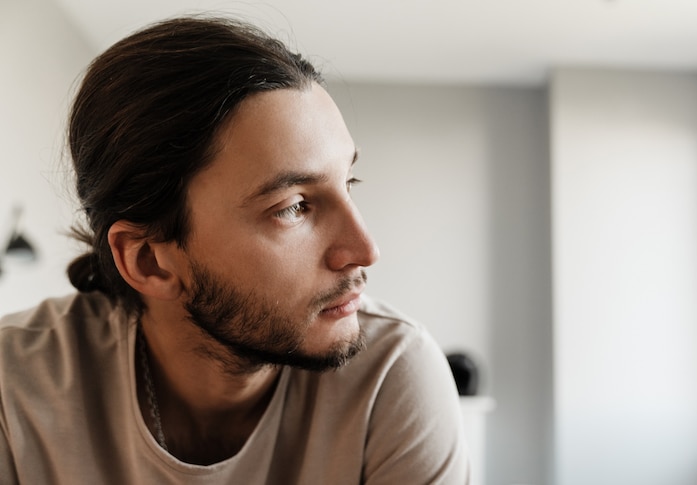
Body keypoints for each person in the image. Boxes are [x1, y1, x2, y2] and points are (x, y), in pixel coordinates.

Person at [0, 15, 470, 484]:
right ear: (150, 260)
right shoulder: (13, 386)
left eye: (349, 182)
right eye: (294, 206)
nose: (365, 250)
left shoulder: (391, 375)